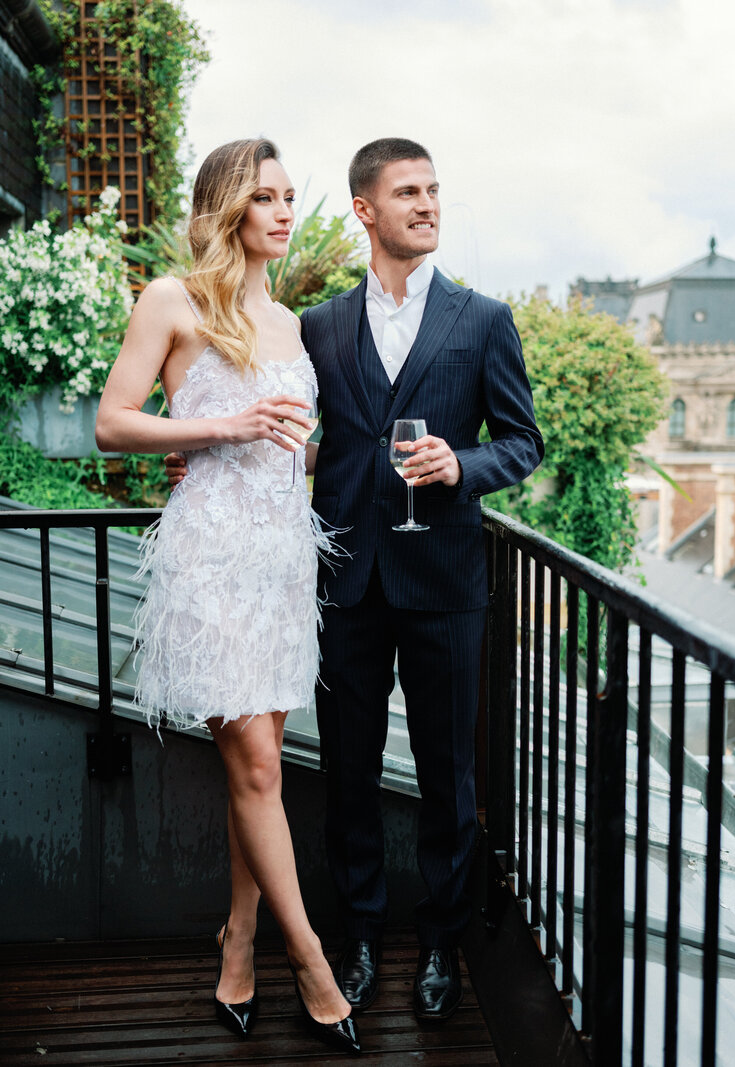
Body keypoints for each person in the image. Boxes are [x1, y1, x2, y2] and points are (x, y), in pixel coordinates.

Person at [168, 136, 543, 1021]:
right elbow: (287, 430)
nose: (429, 205)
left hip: (448, 580)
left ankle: (443, 944)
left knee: (451, 776)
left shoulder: (484, 319)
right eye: (407, 192)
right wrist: (196, 458)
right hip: (343, 580)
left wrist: (464, 464)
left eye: (435, 191)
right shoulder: (318, 326)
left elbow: (523, 442)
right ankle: (362, 939)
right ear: (366, 210)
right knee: (346, 774)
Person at [95, 138, 360, 1055]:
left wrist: (366, 461)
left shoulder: (288, 323)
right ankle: (314, 962)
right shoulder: (173, 298)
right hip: (207, 560)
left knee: (265, 772)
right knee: (253, 767)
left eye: (291, 197)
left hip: (283, 560)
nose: (285, 212)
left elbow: (289, 449)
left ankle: (240, 938)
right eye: (267, 198)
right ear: (228, 208)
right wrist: (219, 425)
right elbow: (112, 420)